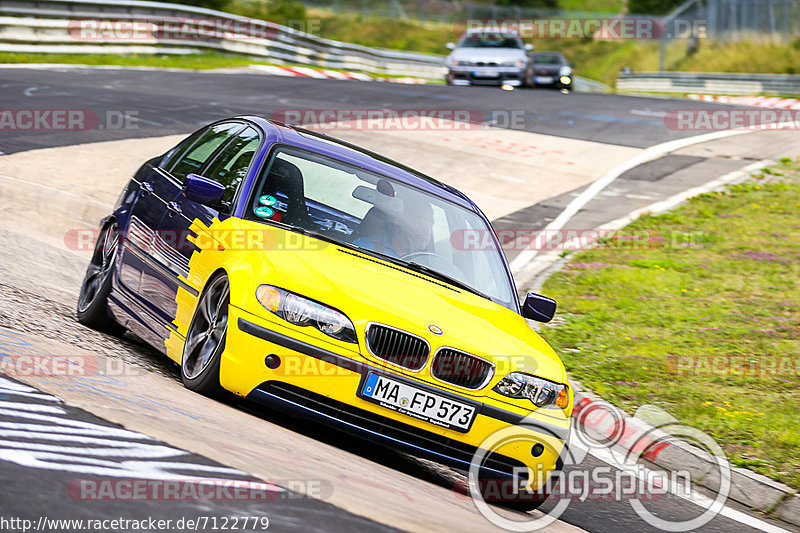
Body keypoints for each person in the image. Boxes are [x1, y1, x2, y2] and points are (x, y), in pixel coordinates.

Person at [353, 198, 433, 259]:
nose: (427, 230)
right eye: (419, 223)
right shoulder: (365, 247)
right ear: (398, 221)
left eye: (430, 225)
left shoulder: (430, 265)